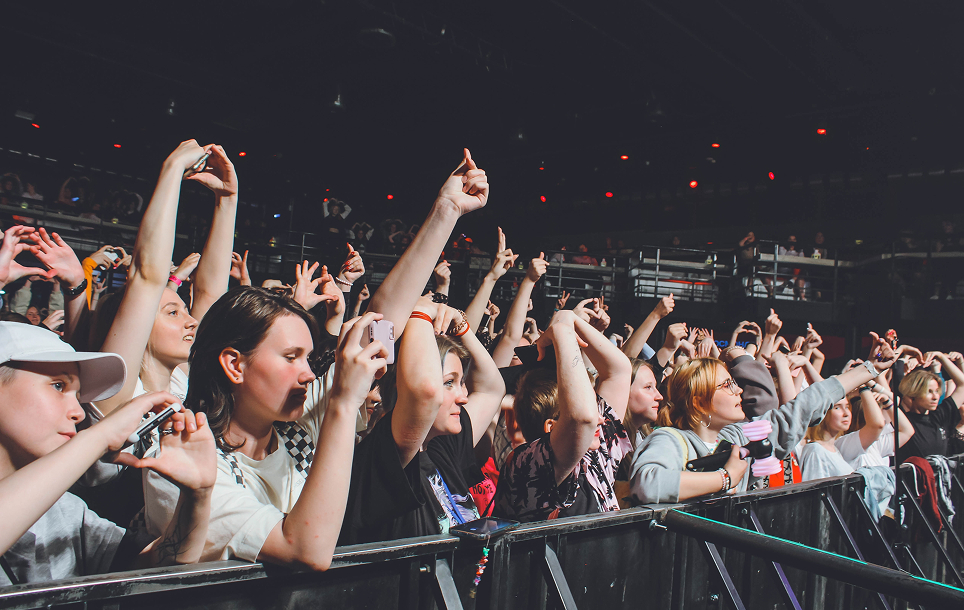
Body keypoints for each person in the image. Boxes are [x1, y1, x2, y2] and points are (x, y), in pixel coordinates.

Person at [0, 321, 215, 585]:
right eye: (58, 386)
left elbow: (156, 569)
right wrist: (101, 435)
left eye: (78, 395)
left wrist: (198, 496)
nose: (78, 413)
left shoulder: (64, 510)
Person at [629, 340, 897, 504]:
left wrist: (870, 368)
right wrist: (726, 478)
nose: (739, 392)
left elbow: (803, 407)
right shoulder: (669, 439)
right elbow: (647, 484)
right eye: (728, 385)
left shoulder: (737, 437)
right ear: (699, 402)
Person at [338, 294, 505, 544]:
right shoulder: (386, 456)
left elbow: (492, 389)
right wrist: (421, 312)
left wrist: (461, 325)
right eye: (449, 383)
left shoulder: (442, 446)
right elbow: (424, 393)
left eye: (461, 383)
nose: (463, 397)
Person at [493, 309, 632, 522]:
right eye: (592, 409)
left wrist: (568, 319)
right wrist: (560, 333)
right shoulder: (525, 464)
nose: (601, 419)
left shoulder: (595, 455)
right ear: (551, 427)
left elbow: (619, 371)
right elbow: (582, 418)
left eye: (597, 408)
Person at [895, 352, 964, 462]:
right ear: (914, 393)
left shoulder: (940, 415)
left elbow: (962, 385)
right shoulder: (902, 419)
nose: (935, 397)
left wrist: (941, 357)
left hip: (940, 479)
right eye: (929, 392)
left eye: (937, 391)